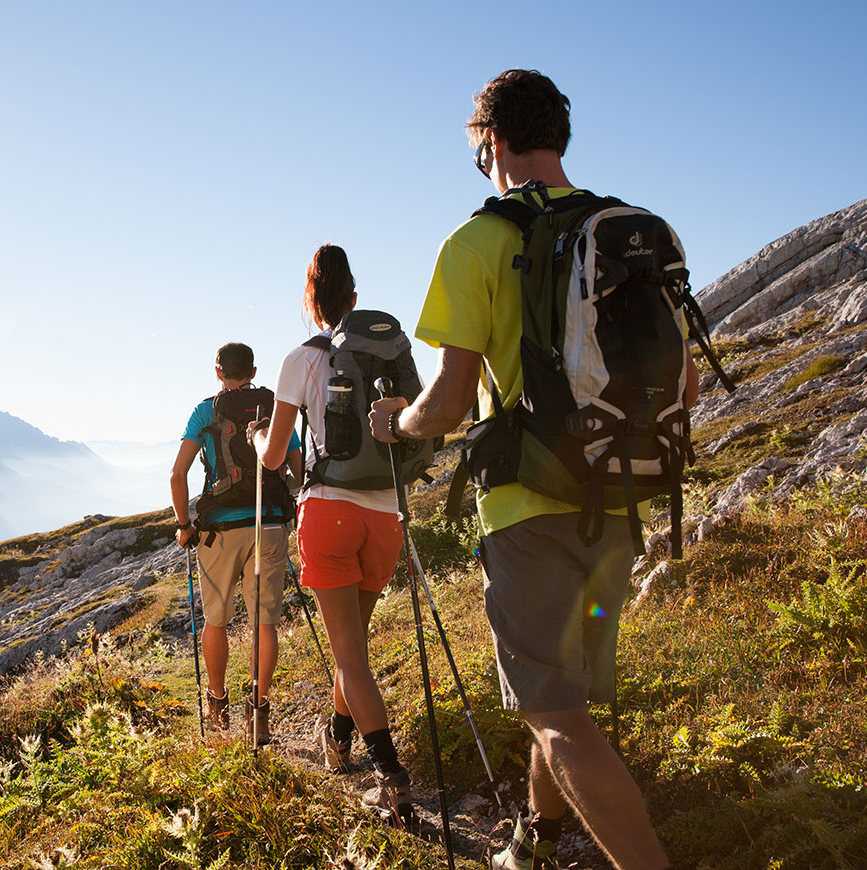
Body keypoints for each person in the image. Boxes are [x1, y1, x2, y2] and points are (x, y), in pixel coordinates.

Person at [368, 70, 695, 870]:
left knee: (555, 716)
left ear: (492, 143)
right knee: (567, 699)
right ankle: (534, 841)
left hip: (525, 509)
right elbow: (683, 380)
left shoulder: (475, 242)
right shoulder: (636, 232)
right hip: (618, 498)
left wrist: (396, 424)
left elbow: (446, 404)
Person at [247, 244, 416, 826]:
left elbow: (273, 459)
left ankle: (391, 776)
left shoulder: (300, 358)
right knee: (356, 649)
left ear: (313, 300)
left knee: (349, 654)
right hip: (386, 515)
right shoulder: (385, 353)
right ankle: (339, 738)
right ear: (354, 297)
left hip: (329, 512)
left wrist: (255, 442)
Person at [170, 342, 302, 745]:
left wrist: (183, 525)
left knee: (216, 620)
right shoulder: (275, 409)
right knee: (265, 622)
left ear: (217, 372)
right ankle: (259, 713)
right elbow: (296, 472)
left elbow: (178, 476)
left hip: (219, 531)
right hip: (270, 526)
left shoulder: (204, 412)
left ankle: (218, 704)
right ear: (254, 370)